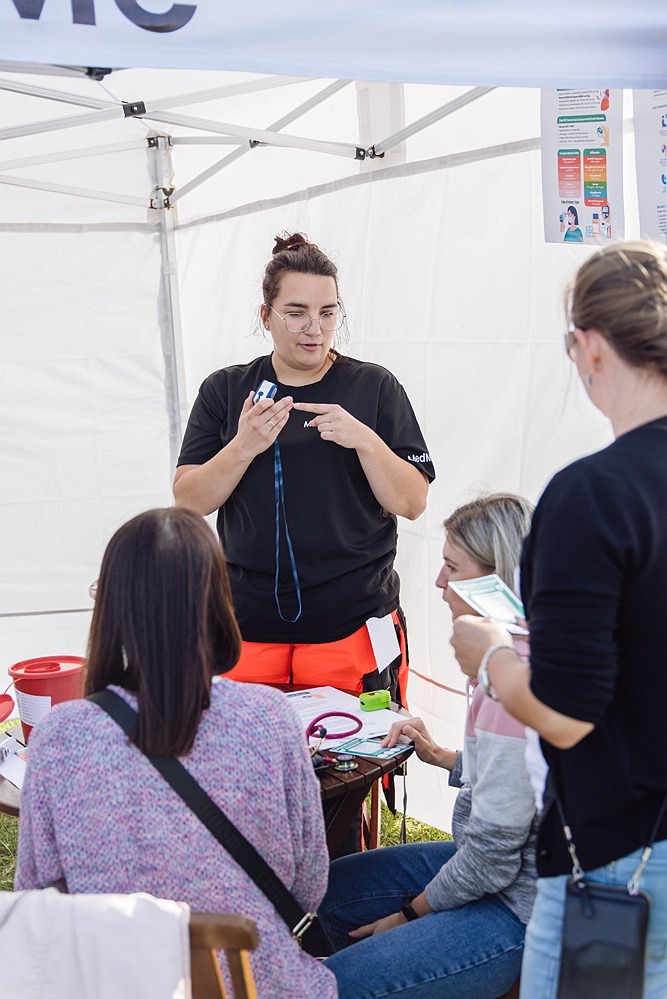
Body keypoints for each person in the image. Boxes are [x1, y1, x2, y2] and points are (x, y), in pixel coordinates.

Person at [451, 240, 667, 998]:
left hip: (625, 855)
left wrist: (490, 657)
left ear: (588, 346)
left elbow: (568, 717)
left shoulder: (592, 494)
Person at [14, 508, 337, 999]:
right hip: (267, 983)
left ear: (111, 607)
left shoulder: (59, 736)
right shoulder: (268, 717)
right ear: (218, 602)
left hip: (115, 986)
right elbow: (310, 885)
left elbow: (38, 903)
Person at [173, 231, 434, 703]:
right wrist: (243, 445)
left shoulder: (374, 387)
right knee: (248, 767)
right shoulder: (225, 390)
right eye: (296, 313)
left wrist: (366, 442)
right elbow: (188, 501)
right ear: (266, 317)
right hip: (246, 627)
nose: (314, 327)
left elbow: (413, 502)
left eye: (327, 313)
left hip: (353, 622)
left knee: (352, 767)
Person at [317, 494, 537, 999]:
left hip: (519, 905)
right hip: (499, 872)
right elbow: (519, 786)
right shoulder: (510, 657)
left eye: (451, 567)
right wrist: (443, 757)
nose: (438, 582)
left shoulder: (513, 680)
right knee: (328, 893)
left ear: (494, 580)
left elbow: (491, 859)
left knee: (338, 985)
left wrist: (406, 916)